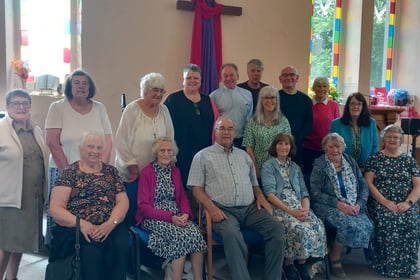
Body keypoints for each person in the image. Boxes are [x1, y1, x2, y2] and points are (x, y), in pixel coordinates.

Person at [188, 117, 285, 280]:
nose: (226, 132)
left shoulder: (244, 156)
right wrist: (211, 209)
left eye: (230, 129)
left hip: (250, 209)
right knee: (233, 236)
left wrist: (260, 196)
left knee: (277, 229)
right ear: (215, 131)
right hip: (221, 210)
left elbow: (254, 184)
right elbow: (196, 189)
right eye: (222, 128)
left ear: (235, 132)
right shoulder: (202, 156)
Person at [45, 69, 113, 245]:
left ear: (90, 87)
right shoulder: (58, 107)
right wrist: (70, 174)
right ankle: (62, 253)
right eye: (77, 83)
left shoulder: (99, 108)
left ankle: (91, 246)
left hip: (94, 173)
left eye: (85, 83)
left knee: (91, 212)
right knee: (63, 213)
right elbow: (52, 141)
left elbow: (108, 141)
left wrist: (100, 172)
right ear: (69, 86)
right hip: (63, 172)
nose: (81, 86)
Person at [49, 131, 129, 280]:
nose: (95, 151)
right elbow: (55, 208)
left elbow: (123, 202)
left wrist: (111, 223)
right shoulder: (69, 173)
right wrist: (81, 224)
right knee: (91, 253)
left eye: (99, 148)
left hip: (110, 225)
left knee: (120, 246)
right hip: (78, 227)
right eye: (90, 147)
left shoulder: (111, 172)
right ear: (80, 148)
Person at [135, 137, 206, 280]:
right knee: (180, 238)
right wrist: (171, 217)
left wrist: (185, 213)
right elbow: (143, 206)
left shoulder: (175, 171)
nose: (166, 154)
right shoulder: (146, 172)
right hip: (153, 216)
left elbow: (182, 198)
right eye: (162, 150)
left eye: (169, 150)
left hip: (176, 214)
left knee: (197, 235)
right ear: (156, 153)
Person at [261, 133, 327, 280]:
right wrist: (292, 212)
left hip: (298, 205)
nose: (283, 147)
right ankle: (288, 263)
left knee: (317, 225)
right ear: (275, 146)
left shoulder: (295, 167)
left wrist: (305, 210)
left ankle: (301, 262)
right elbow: (269, 194)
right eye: (280, 143)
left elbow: (304, 192)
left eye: (287, 144)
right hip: (279, 206)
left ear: (291, 147)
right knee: (297, 228)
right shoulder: (268, 166)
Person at [0, 90, 49, 280]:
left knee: (21, 242)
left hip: (32, 197)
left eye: (25, 103)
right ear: (7, 107)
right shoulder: (1, 130)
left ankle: (12, 278)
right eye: (16, 103)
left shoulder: (34, 129)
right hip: (9, 198)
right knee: (6, 245)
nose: (21, 107)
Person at [310, 133, 373, 278]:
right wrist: (338, 203)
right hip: (328, 206)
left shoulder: (350, 161)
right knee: (348, 225)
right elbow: (315, 193)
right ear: (325, 148)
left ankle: (333, 248)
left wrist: (359, 204)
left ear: (343, 148)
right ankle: (334, 256)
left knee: (367, 225)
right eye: (330, 146)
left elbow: (363, 186)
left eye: (337, 146)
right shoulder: (320, 164)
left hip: (353, 205)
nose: (335, 150)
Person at [115, 72, 174, 224]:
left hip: (156, 173)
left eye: (162, 91)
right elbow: (121, 141)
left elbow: (169, 139)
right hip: (132, 174)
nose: (158, 94)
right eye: (155, 89)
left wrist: (168, 163)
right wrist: (132, 167)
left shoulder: (164, 111)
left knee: (151, 214)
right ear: (146, 89)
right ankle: (131, 244)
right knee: (132, 212)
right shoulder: (132, 109)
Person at [364, 124, 420, 278]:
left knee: (411, 221)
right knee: (389, 219)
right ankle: (389, 267)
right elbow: (368, 183)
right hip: (380, 201)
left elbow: (418, 185)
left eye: (396, 137)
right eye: (389, 136)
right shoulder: (375, 158)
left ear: (401, 140)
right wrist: (385, 201)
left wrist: (408, 203)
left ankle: (410, 267)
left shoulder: (409, 161)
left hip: (404, 201)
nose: (392, 140)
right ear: (383, 139)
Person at [164, 64, 218, 214]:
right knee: (183, 190)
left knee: (202, 188)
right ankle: (187, 218)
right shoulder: (172, 100)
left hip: (204, 155)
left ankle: (203, 220)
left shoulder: (208, 100)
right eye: (189, 78)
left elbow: (215, 127)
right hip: (181, 155)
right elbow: (165, 129)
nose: (192, 81)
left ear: (200, 80)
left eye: (196, 78)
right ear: (183, 80)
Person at [243, 85, 291, 179]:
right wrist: (255, 169)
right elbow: (249, 148)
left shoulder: (284, 122)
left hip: (278, 170)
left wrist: (284, 169)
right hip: (258, 169)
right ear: (261, 101)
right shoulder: (253, 122)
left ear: (277, 101)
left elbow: (288, 147)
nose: (269, 101)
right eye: (266, 98)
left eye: (273, 97)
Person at [330, 92, 378, 169]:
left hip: (366, 170)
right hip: (342, 169)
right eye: (352, 104)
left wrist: (369, 169)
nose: (355, 106)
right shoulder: (336, 124)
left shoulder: (371, 123)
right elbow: (331, 149)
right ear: (348, 106)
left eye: (359, 104)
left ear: (363, 107)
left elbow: (374, 149)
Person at [302, 77, 340, 177]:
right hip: (309, 147)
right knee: (309, 176)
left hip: (327, 148)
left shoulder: (334, 105)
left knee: (326, 176)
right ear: (314, 88)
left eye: (324, 86)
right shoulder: (307, 104)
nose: (322, 89)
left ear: (328, 89)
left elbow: (337, 128)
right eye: (319, 86)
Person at [210, 63, 253, 148]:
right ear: (221, 78)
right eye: (225, 76)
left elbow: (250, 118)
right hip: (222, 141)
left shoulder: (247, 94)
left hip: (243, 141)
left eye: (231, 75)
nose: (228, 78)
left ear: (237, 76)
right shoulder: (213, 96)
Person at [278, 65, 313, 166]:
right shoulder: (275, 98)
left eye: (292, 75)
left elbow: (309, 124)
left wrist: (294, 138)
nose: (289, 78)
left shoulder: (306, 100)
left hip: (298, 145)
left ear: (297, 78)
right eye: (285, 75)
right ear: (280, 79)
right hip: (278, 145)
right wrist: (283, 140)